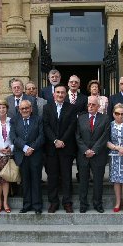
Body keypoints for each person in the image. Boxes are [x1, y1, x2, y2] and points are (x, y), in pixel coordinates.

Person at [43, 84, 77, 213]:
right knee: (52, 176)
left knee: (67, 176)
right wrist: (55, 140)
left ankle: (67, 202)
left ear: (66, 94)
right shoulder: (47, 108)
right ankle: (53, 202)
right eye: (58, 92)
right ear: (54, 94)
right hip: (51, 148)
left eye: (62, 92)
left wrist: (62, 140)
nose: (60, 95)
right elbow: (46, 126)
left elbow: (72, 126)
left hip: (66, 147)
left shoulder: (71, 108)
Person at [75, 96, 110, 213]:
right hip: (83, 155)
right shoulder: (81, 118)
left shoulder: (105, 119)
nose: (90, 106)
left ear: (98, 106)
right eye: (89, 104)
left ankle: (97, 204)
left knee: (98, 181)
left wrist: (94, 150)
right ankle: (83, 204)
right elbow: (77, 136)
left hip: (98, 155)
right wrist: (85, 150)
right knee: (83, 181)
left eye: (93, 105)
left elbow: (104, 137)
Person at [10, 100, 44, 214]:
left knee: (36, 180)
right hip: (22, 155)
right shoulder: (15, 120)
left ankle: (37, 206)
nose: (25, 110)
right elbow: (13, 137)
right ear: (19, 110)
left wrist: (31, 148)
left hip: (35, 154)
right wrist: (24, 148)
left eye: (27, 108)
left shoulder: (38, 119)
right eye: (22, 108)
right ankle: (27, 205)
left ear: (31, 109)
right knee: (25, 181)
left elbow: (41, 136)